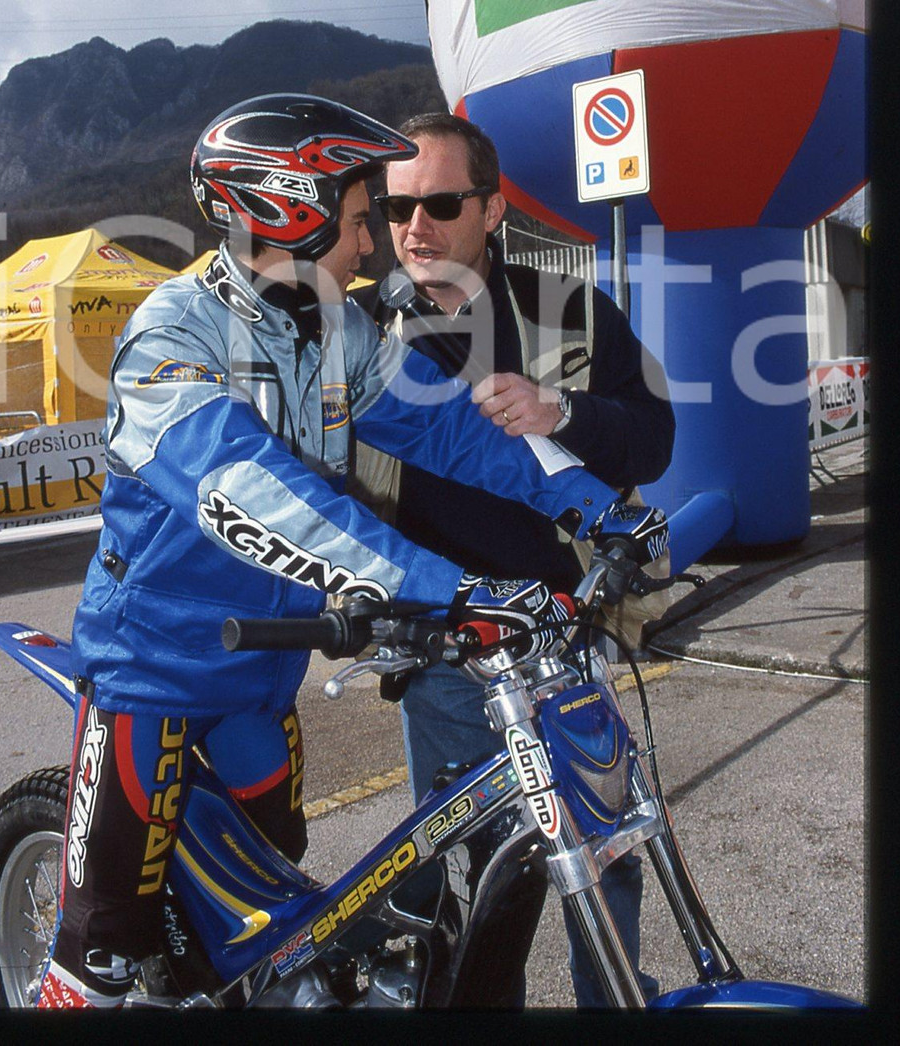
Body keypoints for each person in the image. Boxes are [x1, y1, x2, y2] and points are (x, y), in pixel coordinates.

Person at [36, 92, 651, 1010]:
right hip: (152, 672)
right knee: (100, 954)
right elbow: (259, 497)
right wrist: (450, 589)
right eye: (364, 220)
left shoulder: (335, 326)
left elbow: (458, 433)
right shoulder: (171, 335)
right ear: (292, 212)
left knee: (271, 920)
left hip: (264, 671)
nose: (373, 245)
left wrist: (599, 508)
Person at [353, 111, 676, 1007]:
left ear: (494, 209)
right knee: (475, 883)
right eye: (395, 206)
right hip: (444, 652)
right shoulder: (357, 332)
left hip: (568, 645)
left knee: (605, 866)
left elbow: (655, 440)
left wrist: (561, 411)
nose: (413, 228)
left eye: (441, 203)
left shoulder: (572, 309)